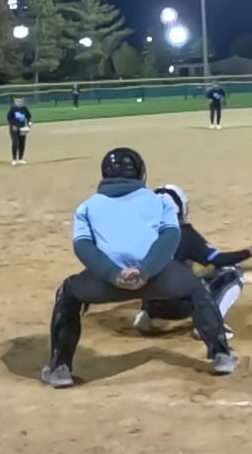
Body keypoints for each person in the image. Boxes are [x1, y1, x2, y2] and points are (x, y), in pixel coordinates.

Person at [41, 147, 237, 388]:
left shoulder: (86, 207)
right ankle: (221, 355)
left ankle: (60, 368)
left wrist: (113, 274)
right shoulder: (159, 202)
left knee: (68, 293)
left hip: (105, 283)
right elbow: (169, 239)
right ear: (141, 173)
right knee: (196, 289)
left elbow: (84, 247)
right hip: (159, 279)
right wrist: (145, 270)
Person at [133, 184, 252, 339]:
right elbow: (219, 260)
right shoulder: (184, 233)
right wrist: (249, 252)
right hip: (178, 308)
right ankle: (210, 325)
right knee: (232, 272)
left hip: (152, 305)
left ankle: (147, 317)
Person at [7, 98, 32, 166]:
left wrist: (28, 124)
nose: (19, 102)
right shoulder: (13, 109)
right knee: (15, 143)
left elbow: (29, 116)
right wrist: (12, 125)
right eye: (17, 101)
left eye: (20, 101)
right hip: (14, 129)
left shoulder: (24, 108)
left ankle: (20, 159)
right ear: (15, 102)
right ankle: (14, 160)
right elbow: (9, 118)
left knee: (22, 143)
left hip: (22, 128)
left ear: (23, 101)